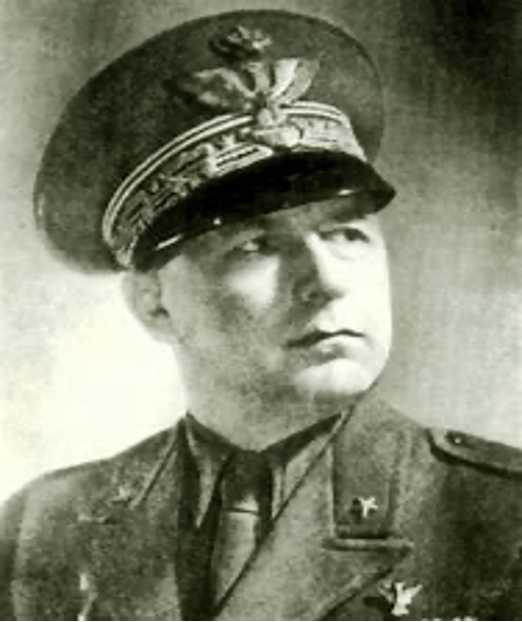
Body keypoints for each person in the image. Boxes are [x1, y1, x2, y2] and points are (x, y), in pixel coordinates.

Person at [1, 8, 521, 622]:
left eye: (348, 234)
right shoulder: (43, 531)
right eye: (256, 246)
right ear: (154, 303)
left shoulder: (500, 519)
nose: (327, 281)